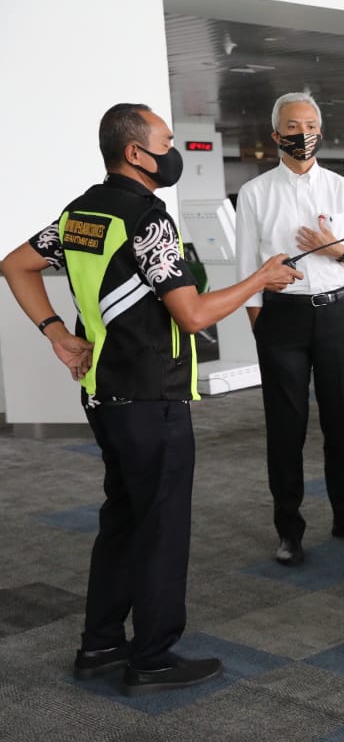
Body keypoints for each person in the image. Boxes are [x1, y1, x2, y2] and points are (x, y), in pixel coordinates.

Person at [0, 103, 300, 695]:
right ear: (135, 153)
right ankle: (154, 657)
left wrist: (58, 335)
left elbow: (15, 264)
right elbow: (191, 316)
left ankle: (101, 644)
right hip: (150, 398)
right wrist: (260, 280)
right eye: (165, 141)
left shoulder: (82, 213)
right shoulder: (148, 218)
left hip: (103, 396)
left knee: (122, 519)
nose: (173, 152)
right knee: (160, 528)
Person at [235, 92, 344, 566]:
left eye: (309, 125)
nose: (302, 134)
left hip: (338, 313)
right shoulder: (255, 193)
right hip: (281, 317)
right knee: (286, 427)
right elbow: (245, 270)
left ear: (321, 130)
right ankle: (289, 529)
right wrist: (263, 323)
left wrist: (334, 249)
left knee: (340, 420)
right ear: (275, 134)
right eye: (291, 126)